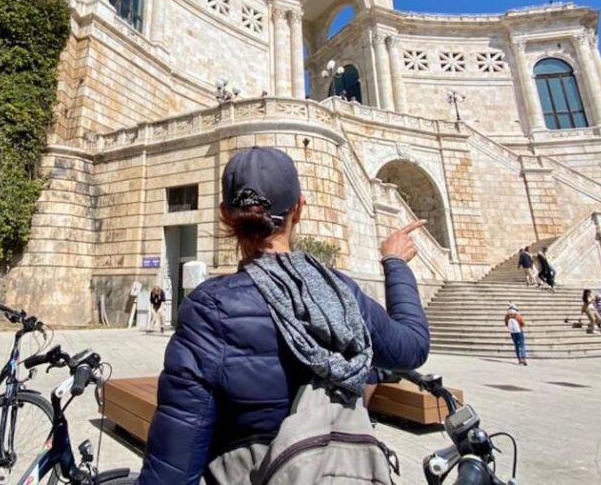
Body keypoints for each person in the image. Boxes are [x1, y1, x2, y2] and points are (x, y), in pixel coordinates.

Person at [136, 146, 430, 485]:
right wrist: (395, 263)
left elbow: (172, 469)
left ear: (225, 215)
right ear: (299, 208)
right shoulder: (341, 293)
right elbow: (412, 347)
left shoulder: (207, 310)